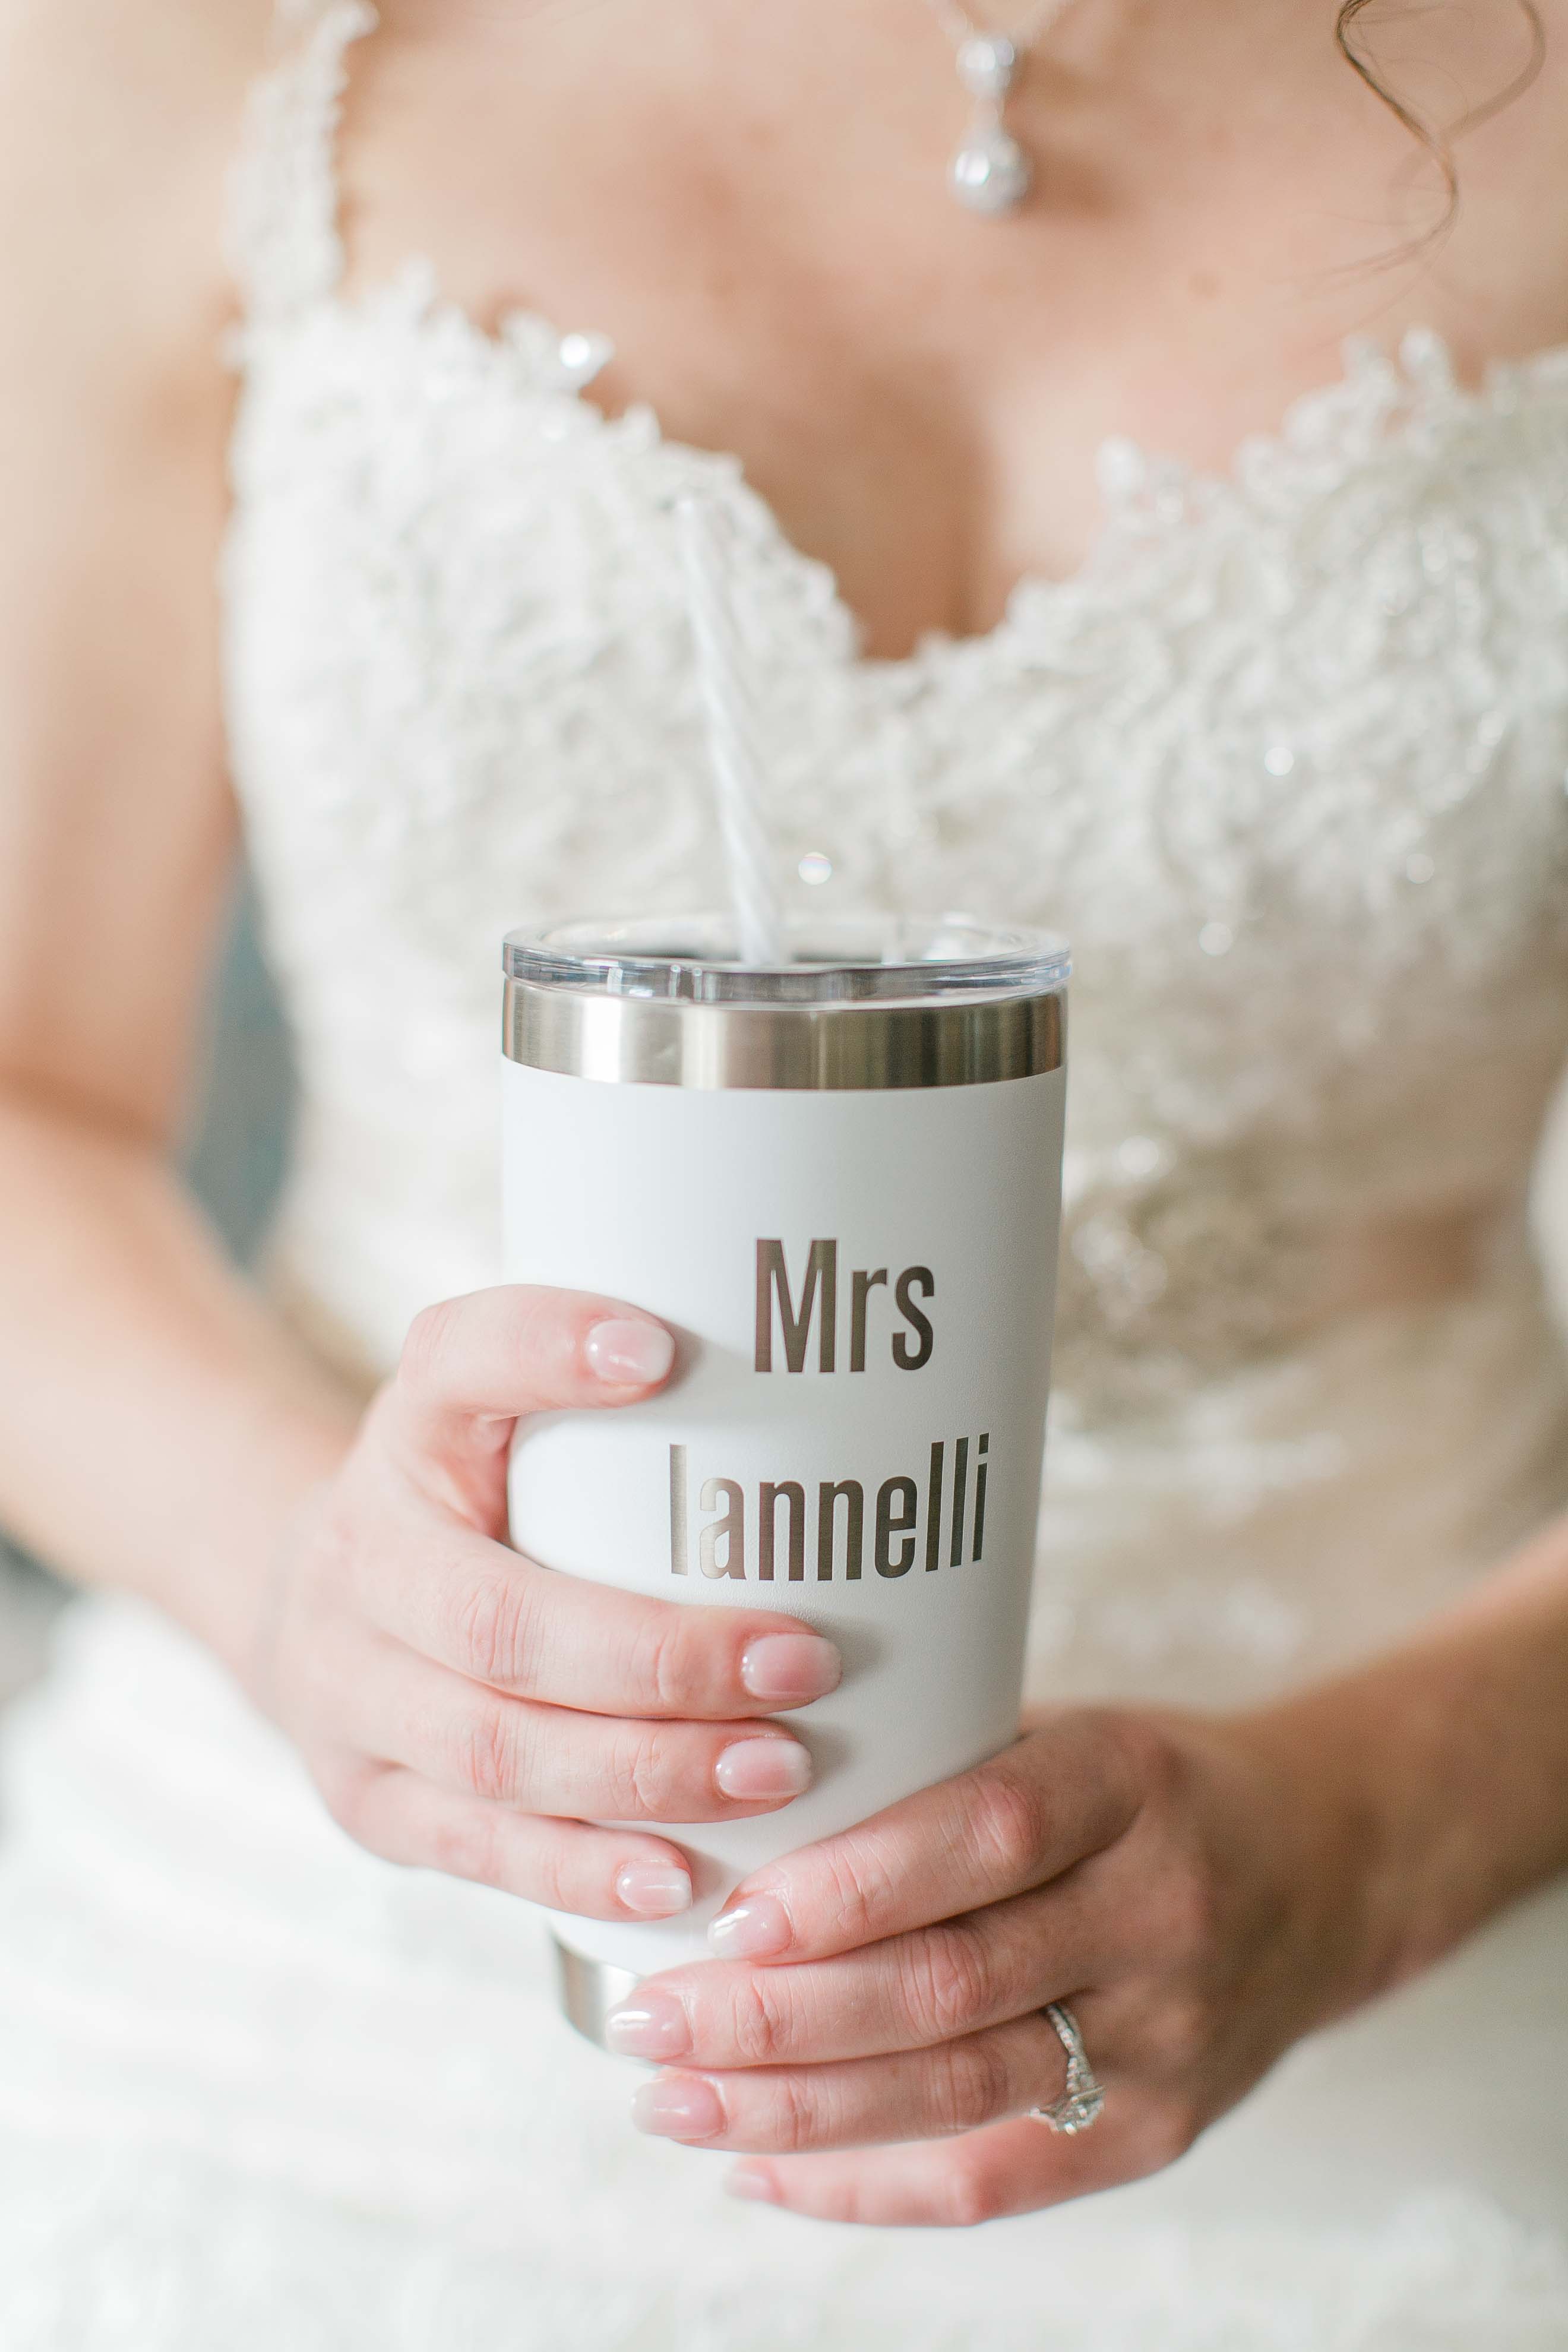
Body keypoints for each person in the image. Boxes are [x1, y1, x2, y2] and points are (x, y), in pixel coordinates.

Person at [1, 0, 1566, 2341]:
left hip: (1394, 1971)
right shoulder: (172, 44)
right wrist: (304, 1594)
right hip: (308, 1982)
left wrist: (1369, 1839)